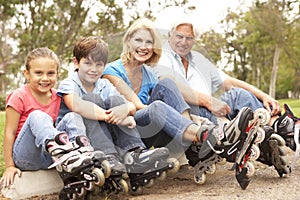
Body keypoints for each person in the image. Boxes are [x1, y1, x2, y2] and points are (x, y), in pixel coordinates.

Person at [102, 18, 261, 189]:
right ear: (128, 41)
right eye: (138, 40)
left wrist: (191, 118)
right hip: (127, 133)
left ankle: (196, 141)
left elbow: (170, 95)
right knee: (156, 107)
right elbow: (136, 106)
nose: (144, 46)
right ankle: (206, 136)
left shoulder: (148, 74)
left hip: (148, 130)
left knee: (167, 84)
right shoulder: (112, 70)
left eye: (149, 42)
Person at [153, 18, 291, 175]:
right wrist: (208, 101)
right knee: (219, 109)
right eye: (179, 36)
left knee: (239, 95)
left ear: (194, 40)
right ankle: (260, 141)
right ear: (170, 36)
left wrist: (264, 96)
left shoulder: (198, 59)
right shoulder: (162, 56)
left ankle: (278, 131)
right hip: (186, 116)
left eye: (189, 38)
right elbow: (169, 86)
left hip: (209, 110)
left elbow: (229, 82)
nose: (183, 42)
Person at [56, 36, 174, 194]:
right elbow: (77, 105)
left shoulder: (103, 84)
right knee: (92, 100)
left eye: (99, 64)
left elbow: (129, 104)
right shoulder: (69, 83)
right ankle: (108, 158)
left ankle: (134, 153)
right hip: (80, 141)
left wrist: (124, 110)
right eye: (88, 63)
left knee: (115, 100)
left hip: (106, 136)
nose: (93, 69)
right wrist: (109, 116)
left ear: (104, 66)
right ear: (76, 63)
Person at [0, 47, 99, 190]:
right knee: (37, 115)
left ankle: (81, 154)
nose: (45, 78)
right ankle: (60, 150)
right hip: (27, 157)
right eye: (38, 73)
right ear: (27, 74)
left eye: (50, 73)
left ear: (58, 74)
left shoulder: (58, 96)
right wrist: (9, 166)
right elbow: (9, 132)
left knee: (72, 116)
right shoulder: (19, 96)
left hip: (49, 157)